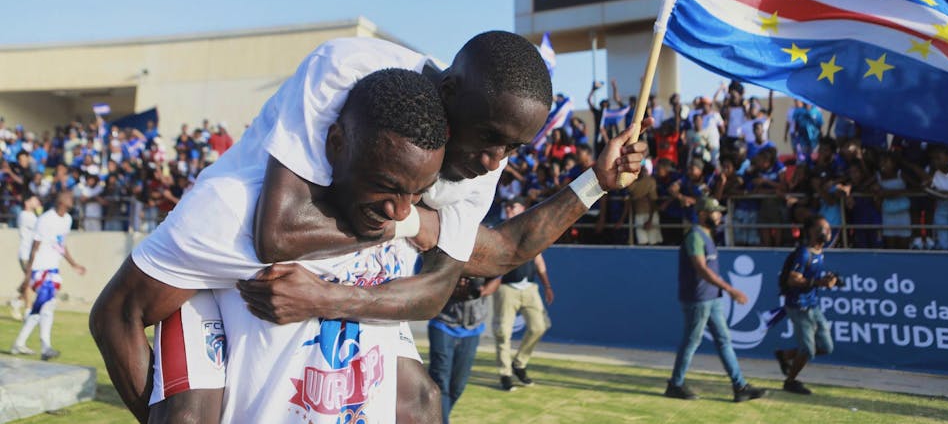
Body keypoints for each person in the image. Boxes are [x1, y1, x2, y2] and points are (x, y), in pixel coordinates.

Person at [90, 34, 649, 423]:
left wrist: (595, 183)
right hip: (230, 270)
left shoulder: (477, 159)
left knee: (421, 402)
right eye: (487, 139)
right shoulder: (340, 78)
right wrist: (415, 224)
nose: (492, 162)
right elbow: (275, 233)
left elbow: (483, 259)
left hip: (343, 285)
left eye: (512, 148)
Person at [664, 197, 767, 403]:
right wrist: (730, 289)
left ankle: (740, 387)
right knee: (692, 341)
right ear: (703, 214)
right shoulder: (695, 236)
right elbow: (701, 269)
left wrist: (723, 291)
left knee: (724, 340)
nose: (719, 215)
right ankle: (675, 384)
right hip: (698, 300)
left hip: (712, 298)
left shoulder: (707, 235)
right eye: (715, 212)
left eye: (719, 212)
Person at [11, 190, 87, 360]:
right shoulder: (45, 219)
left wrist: (73, 264)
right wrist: (27, 275)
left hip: (53, 268)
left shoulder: (67, 219)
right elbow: (34, 248)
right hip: (39, 268)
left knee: (45, 306)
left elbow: (61, 245)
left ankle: (20, 343)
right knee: (46, 304)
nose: (71, 198)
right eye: (68, 197)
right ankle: (45, 347)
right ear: (60, 201)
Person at [493, 198, 554, 391]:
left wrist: (547, 285)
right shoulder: (499, 230)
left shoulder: (531, 231)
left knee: (539, 326)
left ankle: (519, 363)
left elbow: (539, 260)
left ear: (523, 208)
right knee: (503, 332)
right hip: (506, 288)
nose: (509, 209)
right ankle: (505, 374)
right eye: (507, 207)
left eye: (514, 206)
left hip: (529, 288)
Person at [775, 215, 839, 395]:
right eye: (822, 229)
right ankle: (790, 381)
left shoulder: (819, 251)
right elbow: (793, 280)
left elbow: (813, 278)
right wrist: (819, 283)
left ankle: (785, 355)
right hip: (798, 307)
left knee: (826, 347)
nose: (827, 232)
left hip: (813, 305)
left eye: (828, 228)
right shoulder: (804, 253)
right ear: (811, 231)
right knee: (807, 350)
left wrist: (829, 280)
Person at [427, 275, 500, 423]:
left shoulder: (485, 260)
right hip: (442, 322)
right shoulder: (439, 257)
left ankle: (432, 417)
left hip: (472, 328)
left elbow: (496, 278)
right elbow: (426, 277)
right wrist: (450, 287)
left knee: (458, 386)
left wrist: (480, 291)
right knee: (440, 381)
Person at [10, 194, 42, 320]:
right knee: (30, 282)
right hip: (25, 254)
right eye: (34, 199)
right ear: (27, 202)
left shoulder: (33, 216)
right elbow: (41, 226)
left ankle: (17, 301)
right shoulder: (24, 215)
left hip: (33, 255)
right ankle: (28, 311)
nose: (37, 201)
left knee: (32, 282)